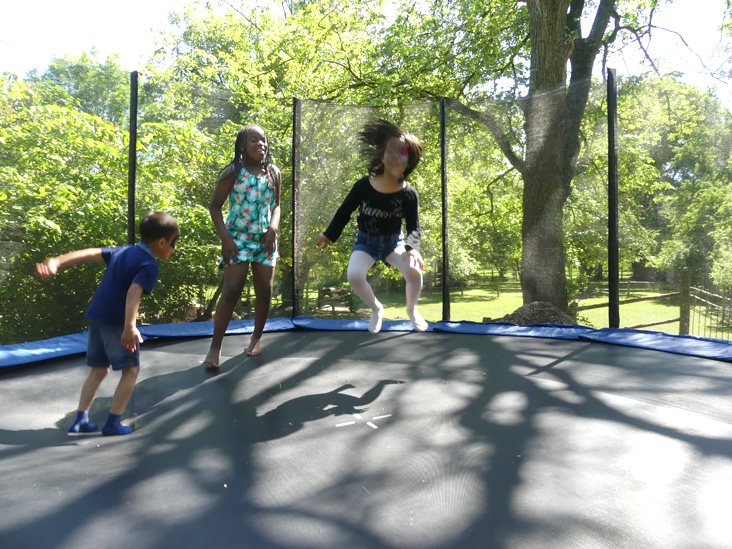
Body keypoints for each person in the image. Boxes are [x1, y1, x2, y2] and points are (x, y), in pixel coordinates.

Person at [35, 212, 180, 436]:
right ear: (162, 242)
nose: (174, 247)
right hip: (116, 322)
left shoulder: (124, 251)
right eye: (174, 242)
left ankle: (80, 420)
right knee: (131, 370)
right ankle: (113, 423)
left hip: (96, 317)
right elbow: (133, 293)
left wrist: (57, 262)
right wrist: (129, 326)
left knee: (98, 370)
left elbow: (89, 253)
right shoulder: (148, 264)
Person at [316, 118, 428, 334]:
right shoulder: (363, 186)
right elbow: (344, 211)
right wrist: (329, 234)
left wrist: (413, 248)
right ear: (382, 155)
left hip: (394, 244)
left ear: (409, 162)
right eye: (392, 151)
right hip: (366, 243)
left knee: (415, 273)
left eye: (402, 153)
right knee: (354, 275)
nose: (396, 157)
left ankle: (412, 310)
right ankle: (377, 309)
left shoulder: (409, 194)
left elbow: (414, 225)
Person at [203, 124, 281, 369]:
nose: (261, 144)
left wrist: (273, 229)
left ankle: (256, 338)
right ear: (241, 146)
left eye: (264, 140)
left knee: (265, 291)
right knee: (232, 290)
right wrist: (225, 239)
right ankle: (215, 346)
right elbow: (215, 207)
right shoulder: (233, 171)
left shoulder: (274, 172)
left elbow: (276, 205)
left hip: (265, 241)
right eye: (254, 140)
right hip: (236, 240)